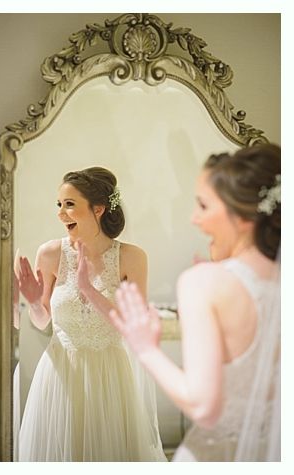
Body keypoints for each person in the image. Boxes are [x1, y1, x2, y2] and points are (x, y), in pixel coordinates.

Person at [110, 144, 281, 461]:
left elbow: (204, 408)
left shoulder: (202, 283)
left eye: (203, 205)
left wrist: (146, 348)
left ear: (243, 216)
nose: (193, 219)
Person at [14, 167, 165, 461]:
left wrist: (88, 288)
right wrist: (33, 302)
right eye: (59, 204)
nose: (61, 214)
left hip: (108, 374)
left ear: (99, 208)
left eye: (70, 204)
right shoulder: (49, 253)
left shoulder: (132, 257)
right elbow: (43, 321)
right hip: (60, 372)